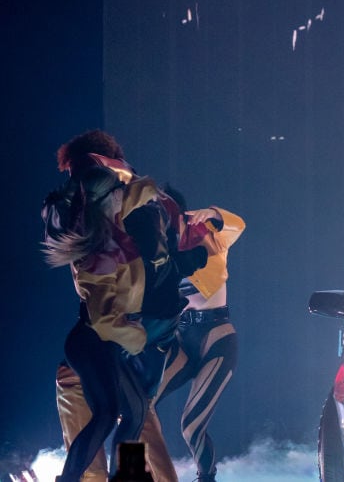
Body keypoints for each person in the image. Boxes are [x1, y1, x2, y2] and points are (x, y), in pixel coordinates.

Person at [43, 130, 208, 481]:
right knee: (123, 411)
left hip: (140, 332)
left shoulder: (128, 212)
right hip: (124, 334)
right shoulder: (109, 236)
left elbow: (163, 263)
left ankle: (121, 476)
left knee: (130, 413)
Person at [149, 195, 245, 482]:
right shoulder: (156, 250)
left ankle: (207, 478)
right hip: (181, 338)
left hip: (216, 338)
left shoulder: (209, 237)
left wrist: (214, 212)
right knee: (139, 408)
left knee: (191, 427)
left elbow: (238, 225)